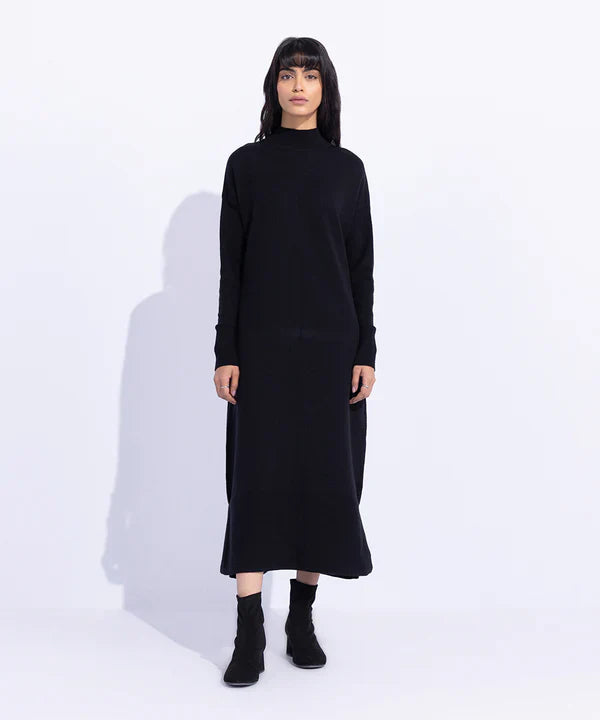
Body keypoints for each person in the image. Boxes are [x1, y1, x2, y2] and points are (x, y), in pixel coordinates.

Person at [213, 36, 377, 687]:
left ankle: (301, 620)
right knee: (256, 483)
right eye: (288, 74)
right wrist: (227, 351)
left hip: (332, 351)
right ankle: (248, 631)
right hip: (263, 350)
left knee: (324, 483)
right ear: (273, 86)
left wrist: (365, 349)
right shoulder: (246, 166)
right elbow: (232, 267)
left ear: (325, 89)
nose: (299, 84)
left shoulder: (347, 170)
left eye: (310, 74)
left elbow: (361, 269)